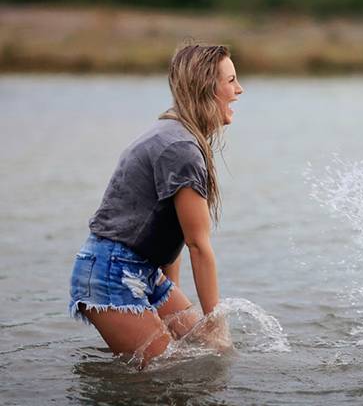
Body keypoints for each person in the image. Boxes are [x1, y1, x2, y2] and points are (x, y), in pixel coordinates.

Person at [69, 44, 243, 365]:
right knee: (173, 370)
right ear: (207, 88)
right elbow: (198, 244)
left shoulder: (180, 135)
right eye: (230, 81)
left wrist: (169, 307)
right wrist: (215, 321)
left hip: (142, 270)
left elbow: (171, 233)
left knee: (213, 353)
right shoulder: (181, 147)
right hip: (111, 272)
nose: (238, 90)